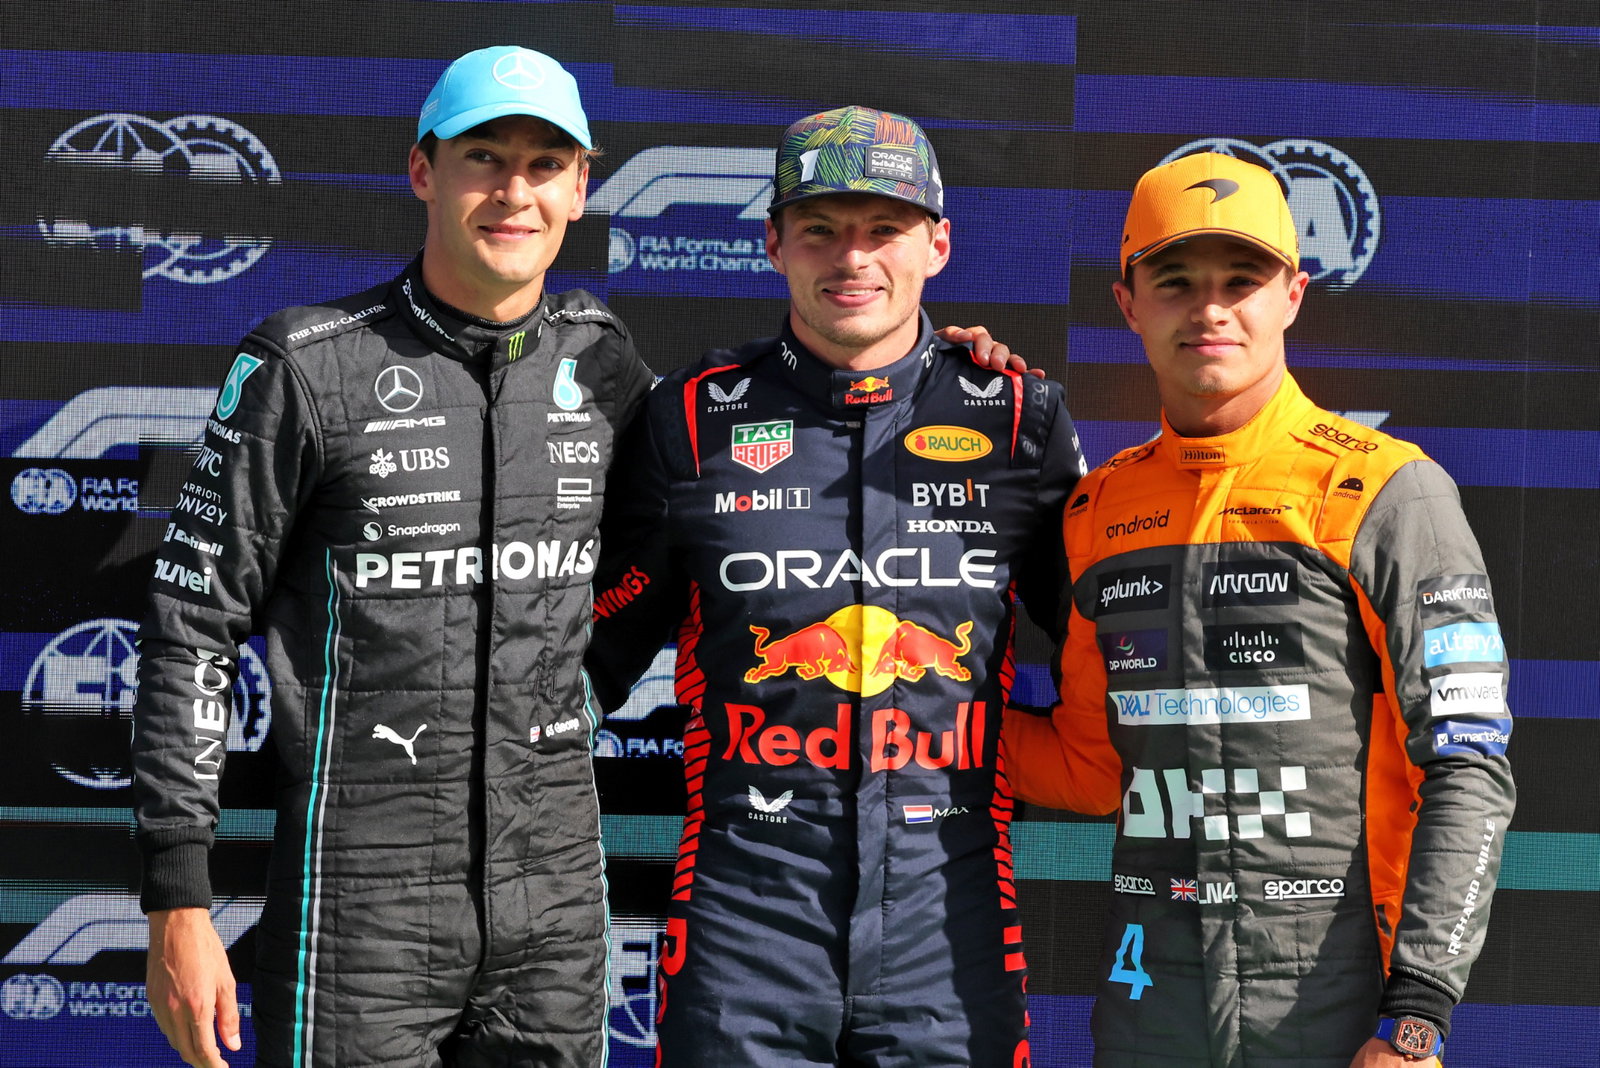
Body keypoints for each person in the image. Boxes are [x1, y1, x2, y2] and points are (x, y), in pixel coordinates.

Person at [131, 45, 654, 1067]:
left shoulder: (602, 359)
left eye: (546, 165)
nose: (514, 192)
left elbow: (659, 557)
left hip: (552, 900)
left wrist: (576, 691)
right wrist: (176, 899)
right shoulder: (305, 362)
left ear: (582, 187)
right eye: (483, 158)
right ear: (423, 170)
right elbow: (191, 626)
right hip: (357, 902)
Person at [584, 105, 1088, 1065]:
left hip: (953, 926)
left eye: (884, 229)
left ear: (936, 246)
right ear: (774, 243)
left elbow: (1109, 651)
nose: (852, 258)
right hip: (744, 923)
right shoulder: (689, 417)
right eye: (820, 229)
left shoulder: (1020, 415)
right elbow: (586, 662)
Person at [1003, 152, 1515, 1067]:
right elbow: (1090, 768)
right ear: (1129, 302)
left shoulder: (1389, 492)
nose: (1210, 309)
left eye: (1242, 280)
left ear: (1293, 294)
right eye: (1175, 281)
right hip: (1146, 1003)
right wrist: (898, 717)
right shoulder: (1095, 513)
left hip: (1340, 1001)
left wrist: (1416, 1017)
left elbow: (1470, 768)